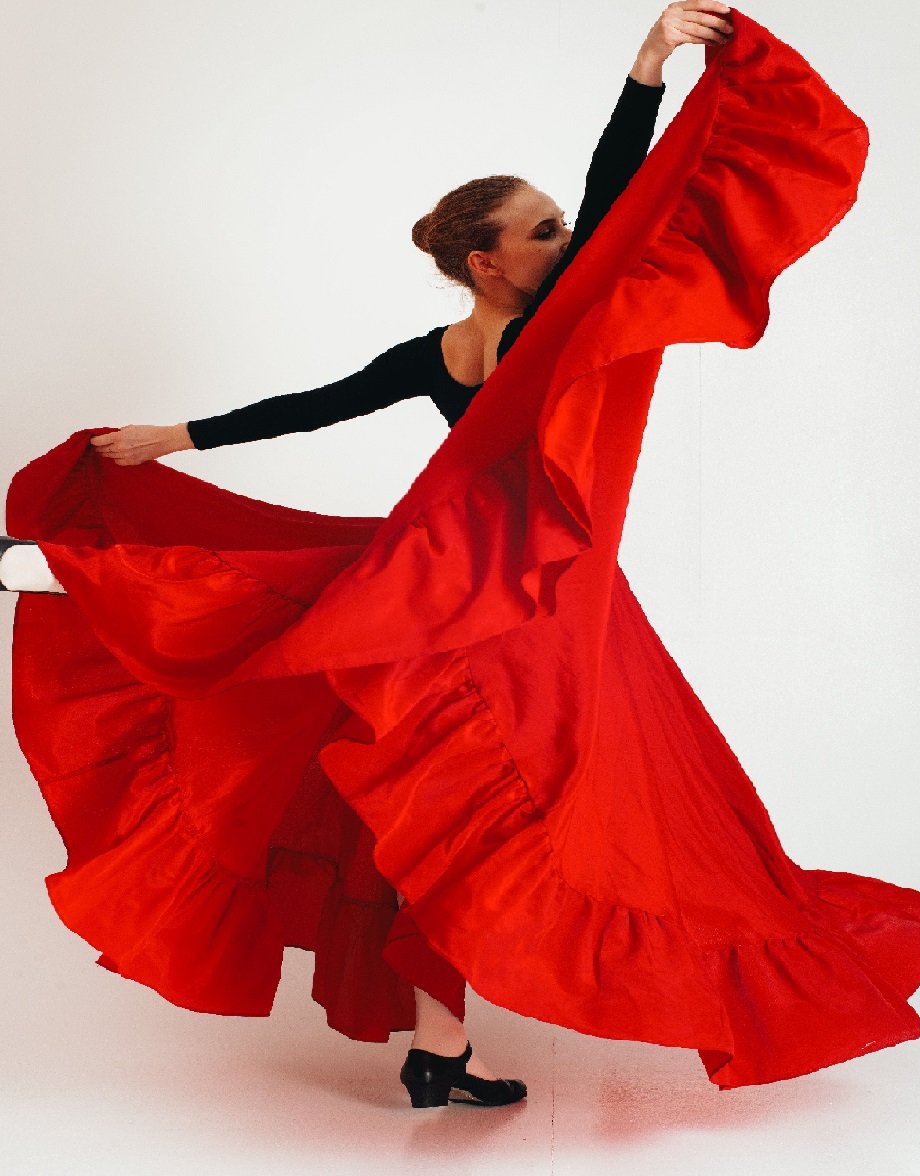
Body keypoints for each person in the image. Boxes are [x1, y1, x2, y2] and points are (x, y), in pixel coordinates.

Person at [0, 2, 734, 1107]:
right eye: (542, 231)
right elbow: (318, 404)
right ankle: (64, 568)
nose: (568, 239)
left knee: (439, 807)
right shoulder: (523, 331)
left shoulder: (479, 339)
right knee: (326, 645)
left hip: (470, 580)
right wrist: (645, 66)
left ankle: (442, 1046)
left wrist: (176, 437)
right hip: (509, 595)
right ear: (487, 265)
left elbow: (316, 404)